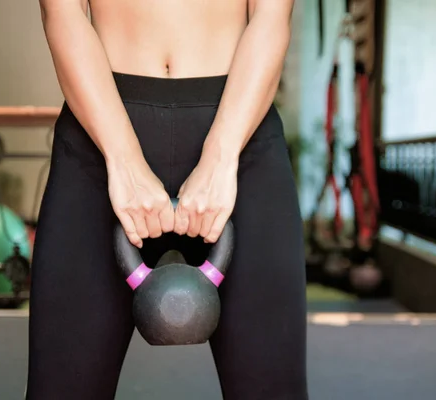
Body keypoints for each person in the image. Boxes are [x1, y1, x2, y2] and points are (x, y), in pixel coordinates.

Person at [27, 0, 308, 399]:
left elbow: (271, 17)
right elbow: (62, 15)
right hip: (98, 139)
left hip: (241, 139)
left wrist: (221, 158)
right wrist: (122, 160)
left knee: (272, 389)